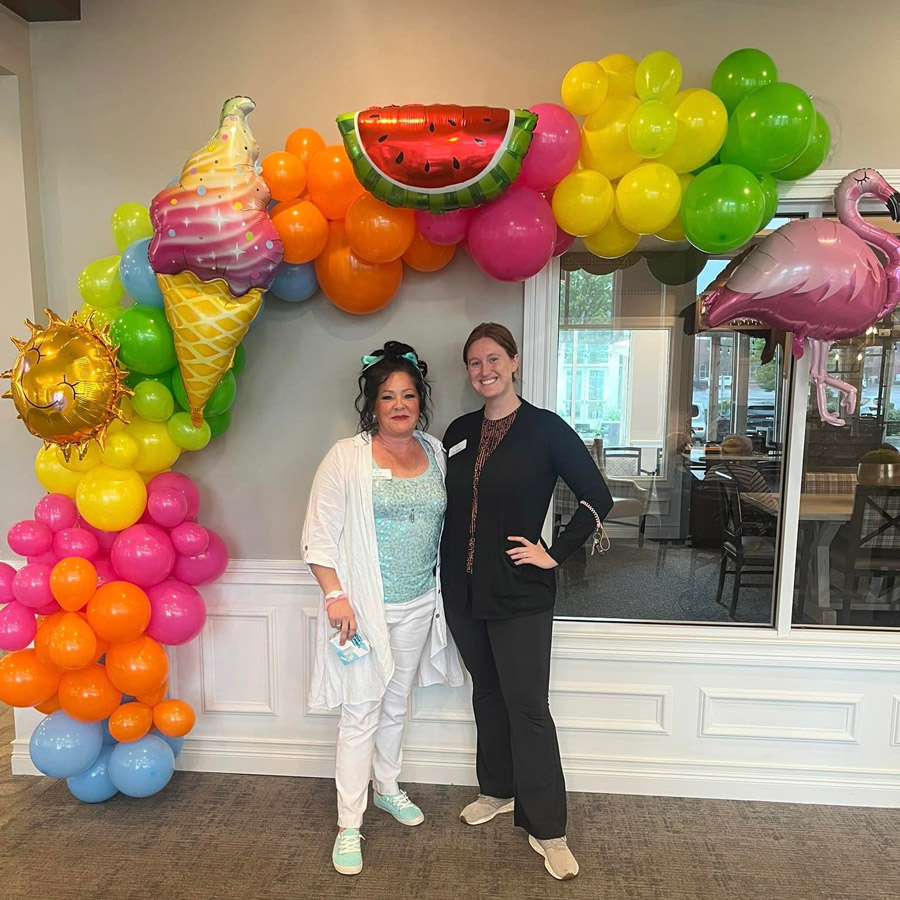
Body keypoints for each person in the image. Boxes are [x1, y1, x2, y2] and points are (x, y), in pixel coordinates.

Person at [440, 323, 613, 881]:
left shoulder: (545, 429)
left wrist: (555, 552)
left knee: (528, 708)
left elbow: (598, 496)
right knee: (486, 693)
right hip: (463, 591)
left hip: (520, 592)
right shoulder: (459, 431)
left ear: (514, 362)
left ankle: (549, 828)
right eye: (474, 362)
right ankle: (497, 790)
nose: (484, 369)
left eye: (493, 359)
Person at [301, 341, 463, 877]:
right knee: (361, 710)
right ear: (371, 404)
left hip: (420, 604)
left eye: (409, 395)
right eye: (388, 396)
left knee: (396, 704)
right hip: (363, 610)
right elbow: (317, 539)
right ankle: (350, 824)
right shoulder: (345, 457)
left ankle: (387, 785)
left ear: (421, 401)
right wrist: (335, 596)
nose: (399, 405)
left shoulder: (436, 453)